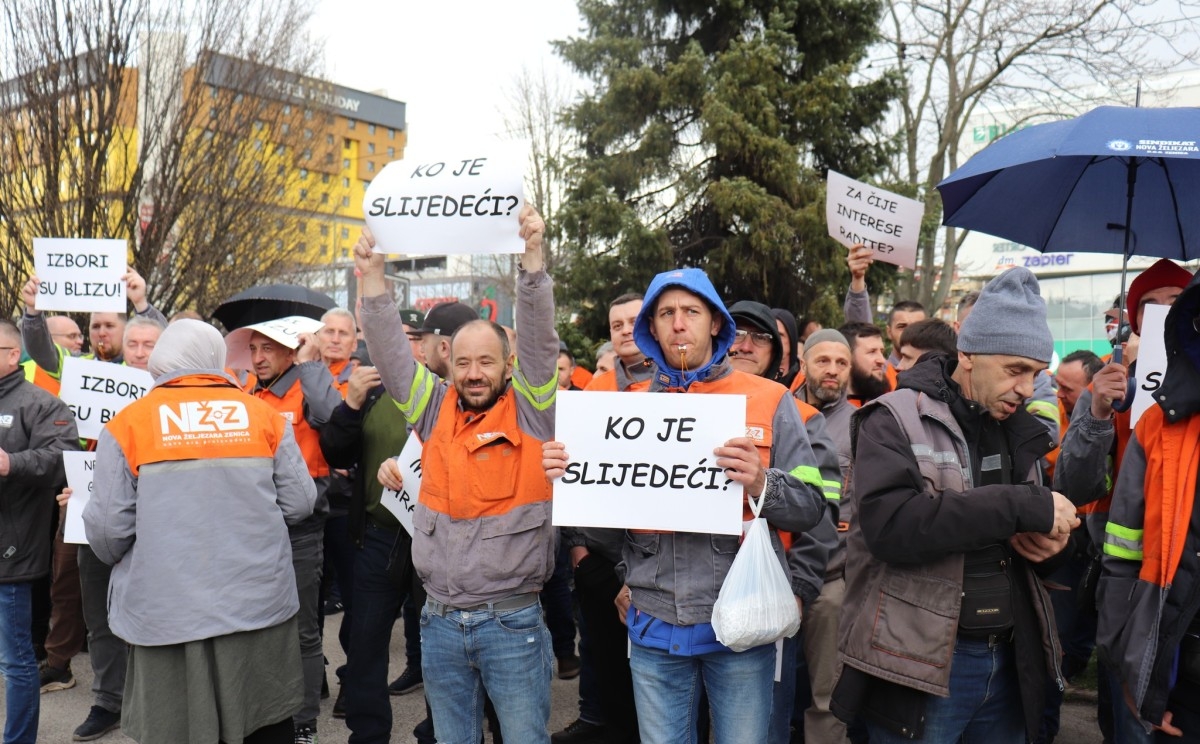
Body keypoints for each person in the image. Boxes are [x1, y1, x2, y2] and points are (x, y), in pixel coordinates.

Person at [545, 267, 831, 743]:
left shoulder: (771, 400)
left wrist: (762, 482)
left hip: (741, 626)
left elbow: (810, 508)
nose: (679, 323)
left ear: (715, 322)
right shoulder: (622, 407)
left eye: (692, 312)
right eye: (667, 313)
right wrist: (568, 477)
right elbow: (602, 531)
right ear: (651, 327)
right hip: (654, 627)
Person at [833, 267, 1079, 743]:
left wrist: (1056, 548)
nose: (1027, 389)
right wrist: (1019, 504)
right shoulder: (893, 417)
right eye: (1015, 370)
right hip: (922, 667)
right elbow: (891, 528)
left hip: (1009, 659)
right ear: (967, 354)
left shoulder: (1019, 429)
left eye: (1035, 374)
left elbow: (1028, 534)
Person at [357, 206, 559, 743]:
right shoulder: (432, 407)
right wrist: (374, 281)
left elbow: (540, 343)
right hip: (440, 626)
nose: (473, 373)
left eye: (486, 362)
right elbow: (392, 355)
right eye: (463, 361)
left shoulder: (532, 411)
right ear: (448, 362)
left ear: (507, 366)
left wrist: (532, 263)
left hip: (511, 627)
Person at [82, 319, 317, 744]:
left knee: (178, 727)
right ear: (216, 360)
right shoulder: (263, 416)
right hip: (256, 605)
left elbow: (106, 532)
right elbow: (300, 503)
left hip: (168, 613)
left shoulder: (129, 425)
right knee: (264, 722)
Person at [1053, 258, 1194, 744]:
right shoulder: (1118, 387)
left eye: (1174, 303)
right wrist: (1094, 412)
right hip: (1121, 578)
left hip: (1182, 586)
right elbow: (1072, 485)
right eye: (1148, 308)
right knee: (1125, 718)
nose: (1162, 315)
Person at [727, 300, 842, 744]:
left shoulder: (805, 419)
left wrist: (799, 590)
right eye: (736, 332)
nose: (745, 345)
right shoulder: (681, 407)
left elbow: (822, 516)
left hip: (768, 593)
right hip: (692, 601)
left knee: (764, 726)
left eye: (760, 338)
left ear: (779, 356)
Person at [1096, 271, 1200, 741]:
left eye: (1170, 299)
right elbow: (1122, 549)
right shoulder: (1157, 423)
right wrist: (1124, 655)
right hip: (1168, 654)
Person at [234, 324, 341, 744]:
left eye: (269, 350)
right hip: (255, 524)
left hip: (301, 526)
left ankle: (304, 722)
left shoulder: (307, 387)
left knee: (301, 629)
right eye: (253, 349)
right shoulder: (247, 394)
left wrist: (312, 366)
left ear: (290, 353)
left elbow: (332, 419)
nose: (258, 358)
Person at [0, 320, 79, 744]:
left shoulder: (42, 403)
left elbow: (65, 457)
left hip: (12, 553)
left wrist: (11, 463)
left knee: (15, 661)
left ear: (14, 355)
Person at [797, 328, 857, 744]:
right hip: (770, 579)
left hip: (830, 586)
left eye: (841, 363)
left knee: (826, 697)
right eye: (823, 361)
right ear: (803, 364)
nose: (832, 371)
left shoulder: (863, 427)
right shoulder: (778, 410)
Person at [585, 293, 654, 392]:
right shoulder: (596, 389)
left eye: (634, 322)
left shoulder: (678, 381)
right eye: (617, 326)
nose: (626, 331)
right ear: (611, 333)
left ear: (653, 326)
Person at [838, 322, 890, 406]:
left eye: (882, 352)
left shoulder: (888, 407)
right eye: (872, 352)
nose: (882, 360)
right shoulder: (823, 413)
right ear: (846, 357)